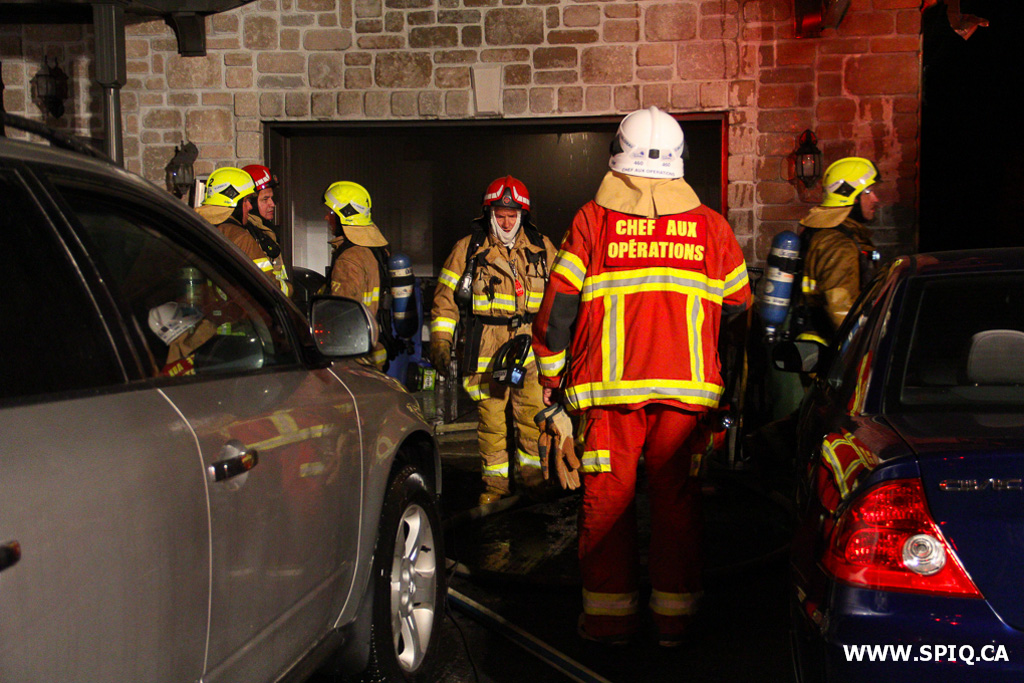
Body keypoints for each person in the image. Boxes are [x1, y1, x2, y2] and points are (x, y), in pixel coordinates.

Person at [531, 107, 751, 647]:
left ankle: (610, 625)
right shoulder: (712, 227)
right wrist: (729, 391)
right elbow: (740, 313)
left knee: (608, 505)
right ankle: (674, 623)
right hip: (688, 400)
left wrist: (552, 381)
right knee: (677, 507)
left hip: (610, 398)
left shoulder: (593, 221)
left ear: (616, 156)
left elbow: (558, 310)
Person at [430, 176, 558, 506]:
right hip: (487, 346)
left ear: (523, 215)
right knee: (491, 424)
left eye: (512, 215)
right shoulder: (468, 249)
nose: (506, 222)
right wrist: (441, 340)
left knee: (533, 418)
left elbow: (562, 298)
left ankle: (535, 481)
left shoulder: (542, 248)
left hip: (531, 346)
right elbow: (445, 300)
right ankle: (496, 487)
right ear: (489, 213)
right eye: (500, 215)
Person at [792, 156, 881, 345]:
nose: (875, 198)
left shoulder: (825, 233)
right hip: (827, 348)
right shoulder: (839, 243)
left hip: (813, 343)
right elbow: (841, 309)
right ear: (849, 195)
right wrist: (866, 346)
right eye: (869, 191)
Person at [324, 180, 392, 370]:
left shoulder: (349, 259)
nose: (326, 218)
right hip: (374, 351)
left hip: (354, 358)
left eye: (331, 213)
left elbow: (341, 317)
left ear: (345, 216)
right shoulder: (375, 251)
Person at [197, 166, 292, 297]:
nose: (272, 204)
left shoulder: (194, 224)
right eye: (265, 199)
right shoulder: (242, 236)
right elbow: (267, 286)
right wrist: (290, 290)